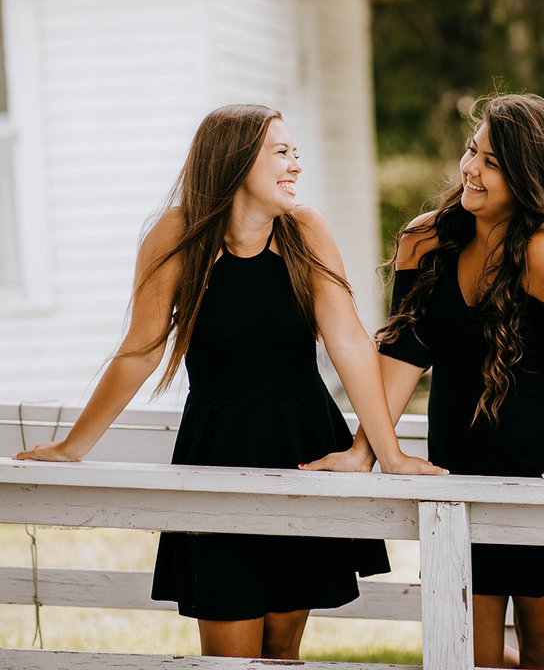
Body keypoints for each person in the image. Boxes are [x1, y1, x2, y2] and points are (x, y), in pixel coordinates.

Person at [13, 104, 442, 659]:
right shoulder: (178, 234)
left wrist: (390, 454)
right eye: (281, 153)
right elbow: (141, 352)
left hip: (302, 447)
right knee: (229, 653)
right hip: (215, 450)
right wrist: (73, 447)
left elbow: (351, 343)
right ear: (237, 161)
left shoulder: (304, 229)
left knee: (282, 650)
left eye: (296, 153)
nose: (296, 166)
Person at [323, 93, 544, 670]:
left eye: (492, 162)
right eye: (472, 151)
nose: (470, 168)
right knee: (465, 652)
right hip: (457, 479)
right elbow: (401, 356)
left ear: (529, 177)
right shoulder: (424, 241)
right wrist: (365, 449)